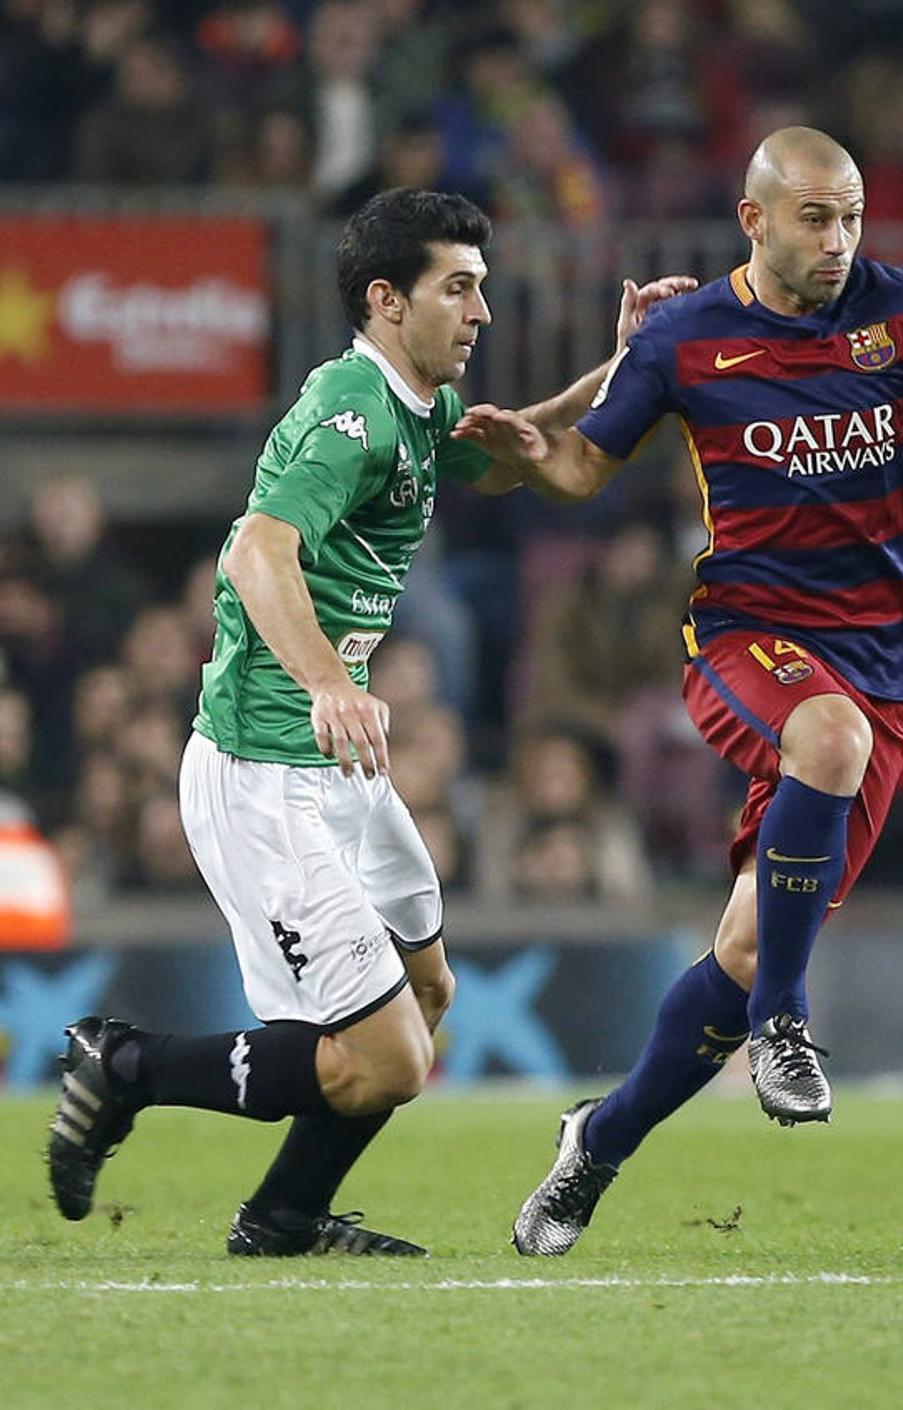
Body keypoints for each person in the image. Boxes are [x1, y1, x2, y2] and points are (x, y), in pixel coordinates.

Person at [452, 125, 903, 1256]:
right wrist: (525, 446)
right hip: (746, 637)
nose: (839, 240)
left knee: (742, 949)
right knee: (824, 745)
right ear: (755, 220)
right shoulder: (686, 336)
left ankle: (598, 1142)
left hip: (886, 664)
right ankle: (785, 1025)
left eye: (852, 216)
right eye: (816, 218)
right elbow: (581, 466)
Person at [45, 187, 693, 1258]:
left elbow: (522, 453)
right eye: (459, 289)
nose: (481, 312)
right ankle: (124, 1066)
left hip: (335, 769)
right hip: (265, 772)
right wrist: (327, 683)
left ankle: (284, 1217)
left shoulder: (417, 407)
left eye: (481, 288)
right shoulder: (352, 413)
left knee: (426, 995)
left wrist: (623, 365)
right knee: (387, 1058)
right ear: (388, 300)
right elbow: (256, 550)